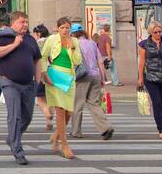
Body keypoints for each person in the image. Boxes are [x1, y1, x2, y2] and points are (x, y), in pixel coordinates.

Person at [0, 11, 42, 166]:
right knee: (15, 115)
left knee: (27, 116)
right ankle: (18, 151)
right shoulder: (3, 37)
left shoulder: (31, 39)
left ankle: (12, 137)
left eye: (26, 22)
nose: (25, 24)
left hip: (28, 84)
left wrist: (37, 81)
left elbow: (37, 60)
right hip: (9, 82)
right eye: (22, 22)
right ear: (13, 23)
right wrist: (14, 44)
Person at [40, 17, 83, 159]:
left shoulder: (75, 41)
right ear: (57, 28)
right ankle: (64, 145)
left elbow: (77, 61)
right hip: (55, 76)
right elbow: (42, 56)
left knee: (69, 112)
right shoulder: (52, 40)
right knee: (60, 110)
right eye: (62, 28)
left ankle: (56, 134)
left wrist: (72, 47)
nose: (65, 30)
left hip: (69, 77)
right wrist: (44, 73)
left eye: (67, 28)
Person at [70, 24, 114, 140]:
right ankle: (106, 127)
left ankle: (76, 131)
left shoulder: (74, 43)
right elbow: (100, 61)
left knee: (78, 104)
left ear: (73, 34)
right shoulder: (92, 43)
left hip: (82, 76)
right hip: (95, 76)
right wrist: (103, 78)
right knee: (94, 103)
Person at [138, 20, 162, 140]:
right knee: (157, 103)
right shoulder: (144, 44)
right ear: (150, 32)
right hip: (150, 77)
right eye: (155, 32)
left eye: (160, 31)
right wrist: (140, 78)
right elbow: (142, 62)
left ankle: (159, 121)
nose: (158, 34)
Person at [33, 25, 54, 130]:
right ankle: (48, 120)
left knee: (40, 98)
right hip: (54, 72)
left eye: (34, 33)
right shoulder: (53, 41)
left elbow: (36, 60)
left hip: (42, 72)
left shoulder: (37, 44)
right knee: (50, 98)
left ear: (38, 33)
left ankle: (47, 114)